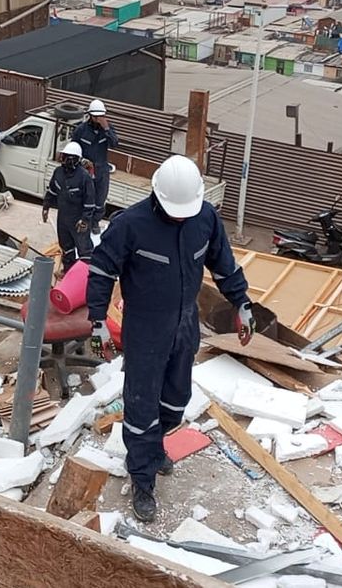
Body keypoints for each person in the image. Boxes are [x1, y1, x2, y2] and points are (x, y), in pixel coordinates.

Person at [85, 155, 255, 522]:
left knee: (177, 399)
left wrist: (242, 303)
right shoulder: (130, 225)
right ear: (157, 195)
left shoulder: (204, 218)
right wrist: (98, 321)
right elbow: (100, 271)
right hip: (145, 327)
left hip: (185, 323)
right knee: (141, 405)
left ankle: (153, 445)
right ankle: (142, 477)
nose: (180, 217)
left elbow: (223, 263)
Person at [43, 142, 96, 272]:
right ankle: (68, 271)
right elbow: (52, 191)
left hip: (78, 220)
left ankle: (85, 275)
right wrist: (46, 207)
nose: (67, 160)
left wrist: (85, 220)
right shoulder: (58, 173)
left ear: (77, 159)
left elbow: (90, 202)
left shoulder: (84, 177)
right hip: (63, 218)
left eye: (70, 157)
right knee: (66, 247)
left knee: (84, 249)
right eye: (65, 156)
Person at [72, 99, 118, 231]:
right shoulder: (81, 130)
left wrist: (106, 129)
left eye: (101, 116)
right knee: (85, 197)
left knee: (100, 199)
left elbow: (115, 143)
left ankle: (95, 222)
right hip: (85, 170)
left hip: (101, 170)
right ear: (90, 115)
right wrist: (82, 161)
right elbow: (73, 148)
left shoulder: (107, 129)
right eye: (96, 116)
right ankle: (83, 221)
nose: (98, 119)